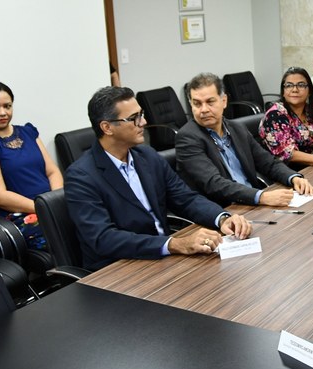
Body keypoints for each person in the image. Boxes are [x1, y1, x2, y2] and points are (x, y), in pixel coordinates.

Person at [65, 86, 251, 271]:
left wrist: (222, 218)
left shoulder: (147, 156)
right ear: (107, 128)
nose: (143, 122)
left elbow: (185, 198)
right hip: (117, 269)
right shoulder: (81, 176)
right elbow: (104, 238)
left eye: (141, 114)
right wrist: (175, 244)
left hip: (163, 259)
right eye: (133, 118)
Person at [176, 72, 313, 207]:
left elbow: (268, 163)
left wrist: (294, 178)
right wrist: (262, 197)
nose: (203, 109)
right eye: (197, 104)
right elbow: (214, 183)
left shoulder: (237, 129)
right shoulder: (187, 138)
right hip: (223, 211)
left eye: (210, 102)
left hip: (252, 204)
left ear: (224, 101)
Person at [0, 81, 63, 249]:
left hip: (49, 205)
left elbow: (52, 171)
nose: (3, 112)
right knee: (67, 235)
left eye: (7, 106)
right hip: (19, 215)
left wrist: (57, 200)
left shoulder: (28, 132)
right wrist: (44, 208)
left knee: (94, 220)